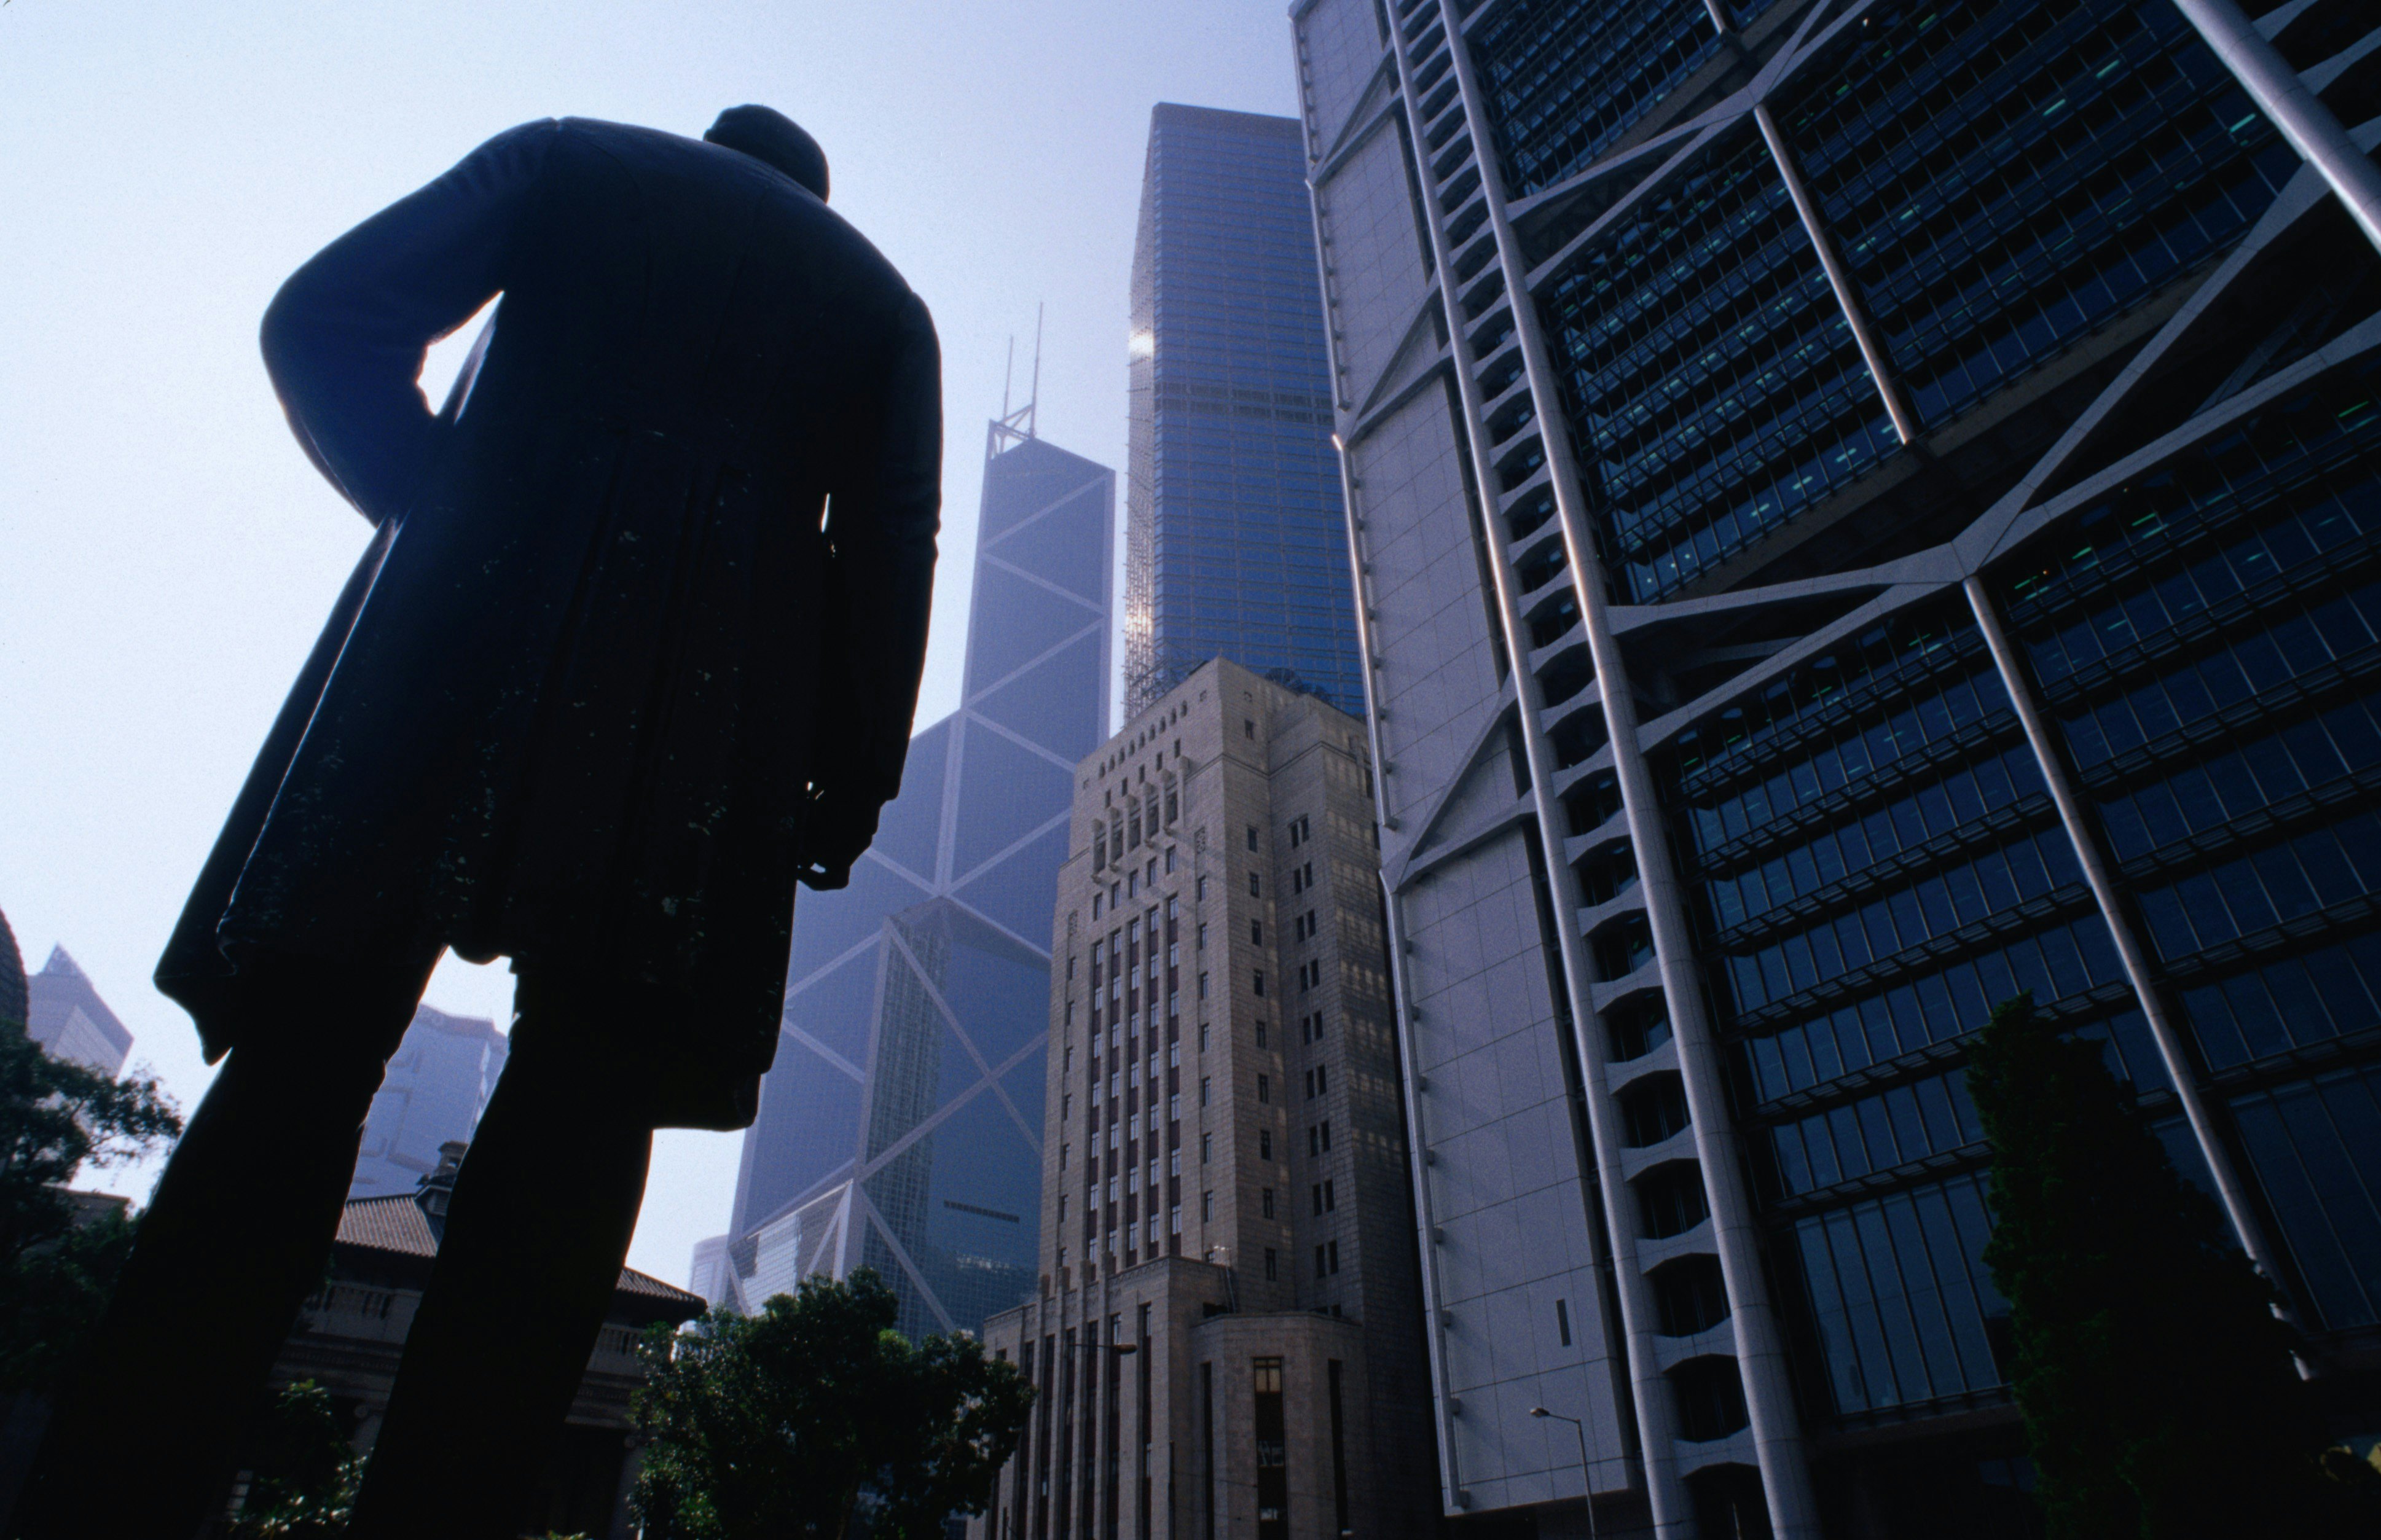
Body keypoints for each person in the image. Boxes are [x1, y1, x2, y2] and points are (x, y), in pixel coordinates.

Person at [17, 106, 940, 1539]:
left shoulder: (570, 159)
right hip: (702, 723)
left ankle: (111, 1488)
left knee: (308, 1048)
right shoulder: (882, 303)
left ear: (711, 143)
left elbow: (320, 318)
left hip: (453, 639)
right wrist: (850, 774)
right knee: (592, 1096)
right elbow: (889, 557)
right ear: (815, 192)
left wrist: (442, 510)